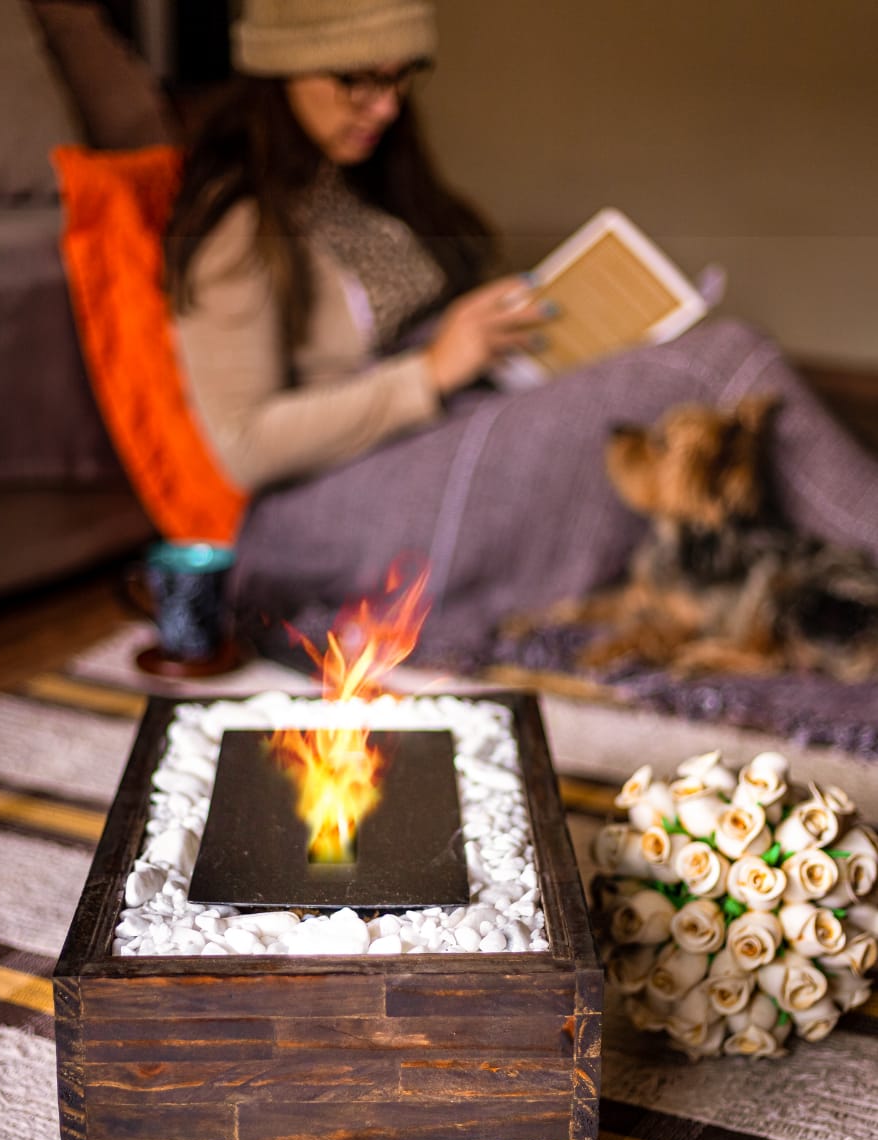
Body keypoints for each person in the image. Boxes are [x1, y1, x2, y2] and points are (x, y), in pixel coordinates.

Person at [166, 0, 878, 663]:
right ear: (279, 66)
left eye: (401, 79)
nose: (384, 106)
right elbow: (244, 446)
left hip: (443, 427)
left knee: (689, 389)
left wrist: (489, 331)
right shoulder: (237, 220)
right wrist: (433, 370)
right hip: (333, 512)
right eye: (355, 81)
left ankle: (823, 593)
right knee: (727, 360)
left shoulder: (350, 177)